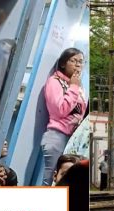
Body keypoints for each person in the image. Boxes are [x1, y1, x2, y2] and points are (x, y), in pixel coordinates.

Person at [41, 48, 86, 186]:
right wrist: (73, 86)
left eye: (81, 61)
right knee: (50, 179)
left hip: (72, 138)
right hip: (57, 135)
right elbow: (60, 110)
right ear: (63, 64)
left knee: (69, 180)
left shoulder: (78, 85)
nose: (78, 65)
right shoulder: (54, 82)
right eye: (73, 61)